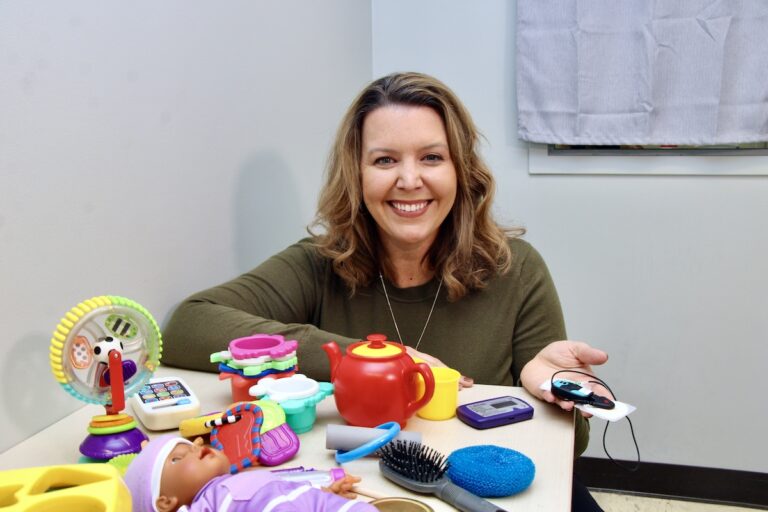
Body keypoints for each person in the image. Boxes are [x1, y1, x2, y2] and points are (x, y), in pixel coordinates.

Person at [163, 71, 607, 510]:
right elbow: (189, 323)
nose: (409, 180)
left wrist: (552, 390)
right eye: (384, 160)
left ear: (461, 170)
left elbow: (571, 450)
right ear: (356, 175)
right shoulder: (319, 263)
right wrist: (360, 358)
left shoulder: (516, 267)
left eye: (432, 157)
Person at [123, 434, 376, 512]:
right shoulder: (205, 505)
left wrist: (322, 493)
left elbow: (286, 495)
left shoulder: (238, 480)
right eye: (178, 458)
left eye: (193, 445)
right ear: (165, 502)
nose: (198, 446)